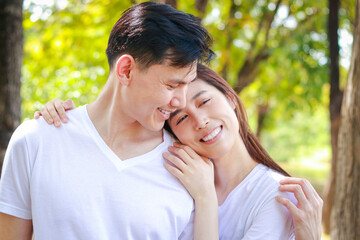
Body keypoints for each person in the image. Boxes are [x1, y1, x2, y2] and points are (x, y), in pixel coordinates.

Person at [0, 2, 214, 239]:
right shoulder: (36, 140)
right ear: (126, 71)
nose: (180, 102)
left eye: (187, 85)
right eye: (172, 85)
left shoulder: (188, 169)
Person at [36, 64, 323, 240]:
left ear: (232, 99)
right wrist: (71, 119)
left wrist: (205, 197)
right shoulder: (173, 174)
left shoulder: (277, 195)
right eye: (181, 118)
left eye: (204, 101)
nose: (200, 121)